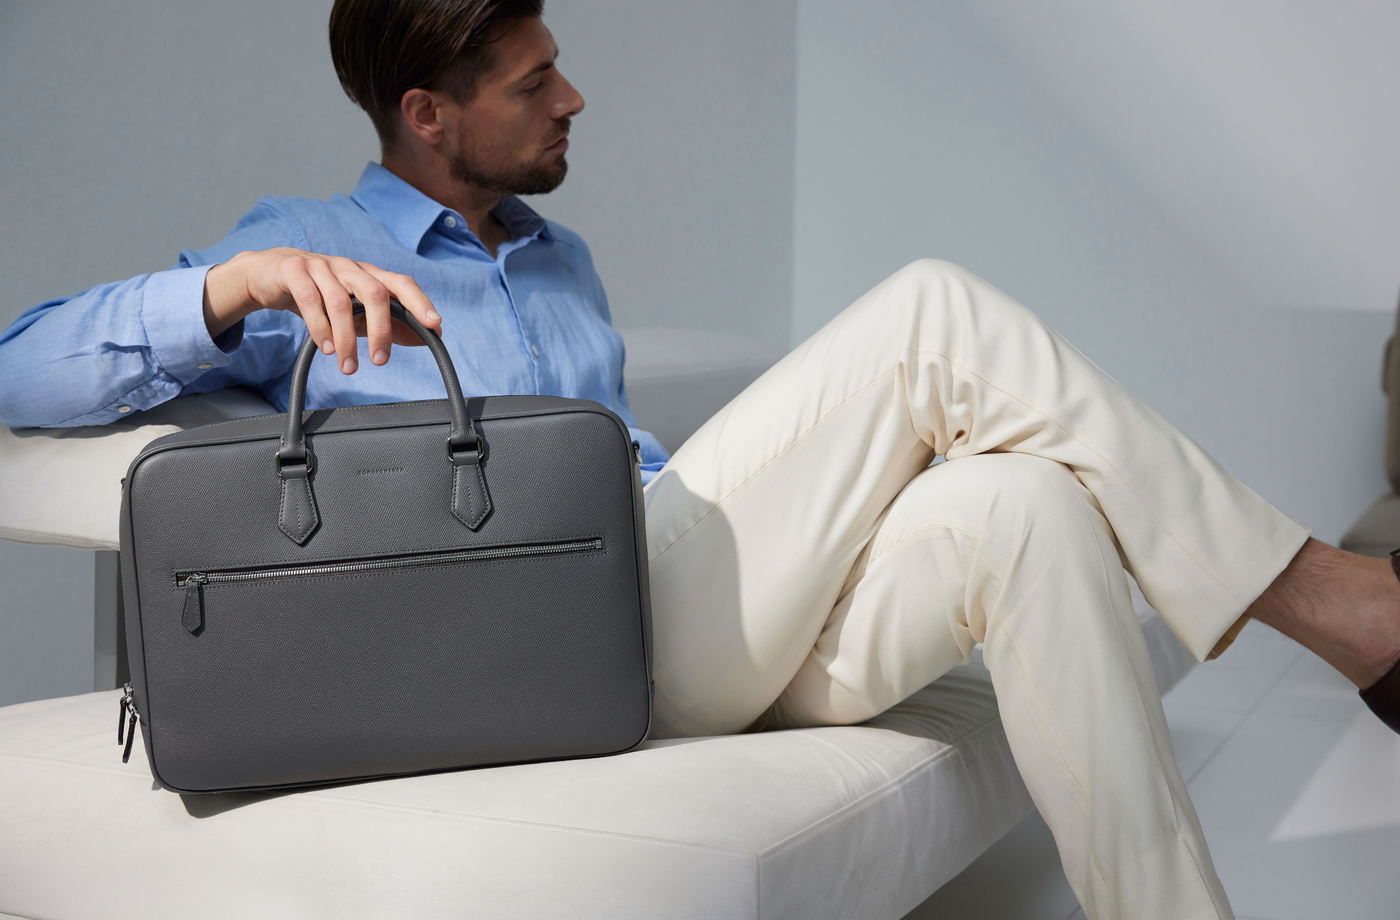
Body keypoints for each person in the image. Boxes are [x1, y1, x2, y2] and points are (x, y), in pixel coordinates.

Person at [0, 2, 1396, 917]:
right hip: (559, 649)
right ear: (428, 114)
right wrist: (235, 285)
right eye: (535, 78)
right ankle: (1343, 605)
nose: (576, 98)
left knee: (1019, 502)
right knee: (935, 314)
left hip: (691, 614)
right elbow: (23, 365)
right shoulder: (312, 247)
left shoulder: (559, 261)